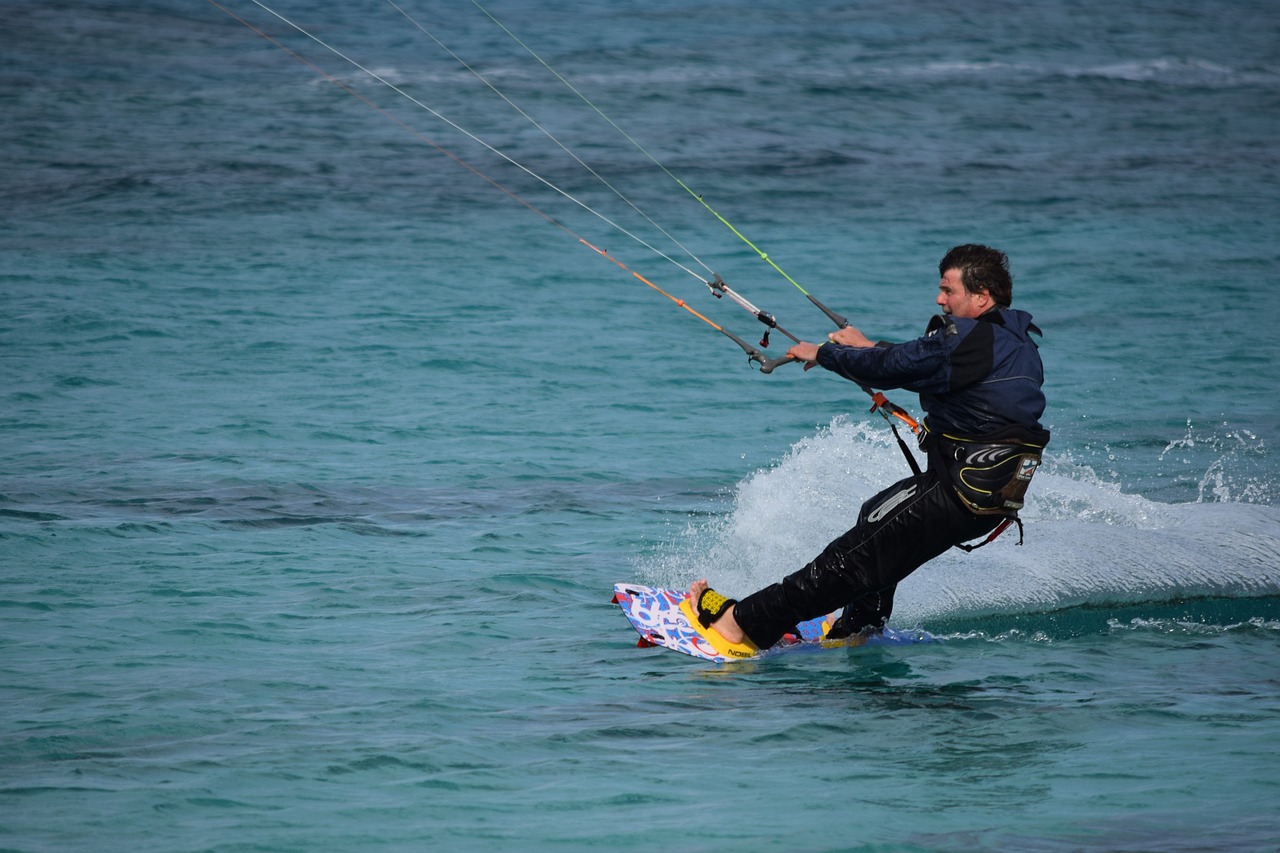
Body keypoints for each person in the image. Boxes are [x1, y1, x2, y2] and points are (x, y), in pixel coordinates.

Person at [690, 244, 1049, 649]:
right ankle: (859, 630)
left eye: (948, 290)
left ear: (981, 295)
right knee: (874, 516)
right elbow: (916, 360)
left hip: (956, 491)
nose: (939, 299)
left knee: (848, 560)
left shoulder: (969, 339)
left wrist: (825, 354)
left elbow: (897, 368)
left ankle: (741, 624)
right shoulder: (1017, 344)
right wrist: (865, 348)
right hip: (987, 495)